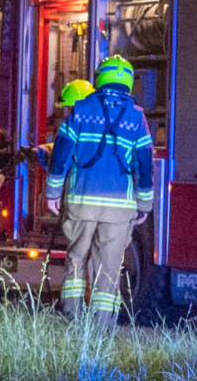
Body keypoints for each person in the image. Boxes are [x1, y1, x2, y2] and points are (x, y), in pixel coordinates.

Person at [45, 56, 155, 329]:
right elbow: (144, 164)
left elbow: (60, 154)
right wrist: (145, 205)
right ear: (128, 82)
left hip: (81, 201)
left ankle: (72, 318)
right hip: (119, 208)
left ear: (99, 78)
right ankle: (101, 328)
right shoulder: (137, 119)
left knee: (76, 258)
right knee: (108, 268)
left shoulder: (80, 111)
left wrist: (52, 192)